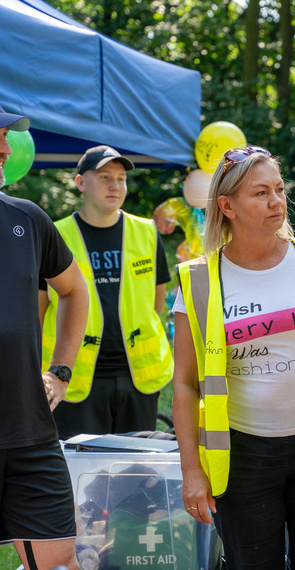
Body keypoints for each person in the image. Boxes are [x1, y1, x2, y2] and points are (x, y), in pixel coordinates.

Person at [172, 145, 295, 570]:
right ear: (227, 205)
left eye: (279, 189)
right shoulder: (198, 281)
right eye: (260, 193)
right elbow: (186, 385)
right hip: (243, 456)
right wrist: (191, 470)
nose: (276, 201)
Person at [0, 105, 89, 570]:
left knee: (58, 563)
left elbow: (75, 292)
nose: (4, 148)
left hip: (29, 431)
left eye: (4, 136)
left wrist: (60, 371)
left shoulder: (28, 219)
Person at [39, 145, 174, 439]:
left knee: (137, 475)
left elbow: (156, 302)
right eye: (104, 177)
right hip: (74, 379)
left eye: (121, 178)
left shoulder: (147, 233)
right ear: (80, 182)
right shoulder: (55, 235)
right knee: (80, 472)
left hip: (139, 376)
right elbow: (37, 312)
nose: (115, 185)